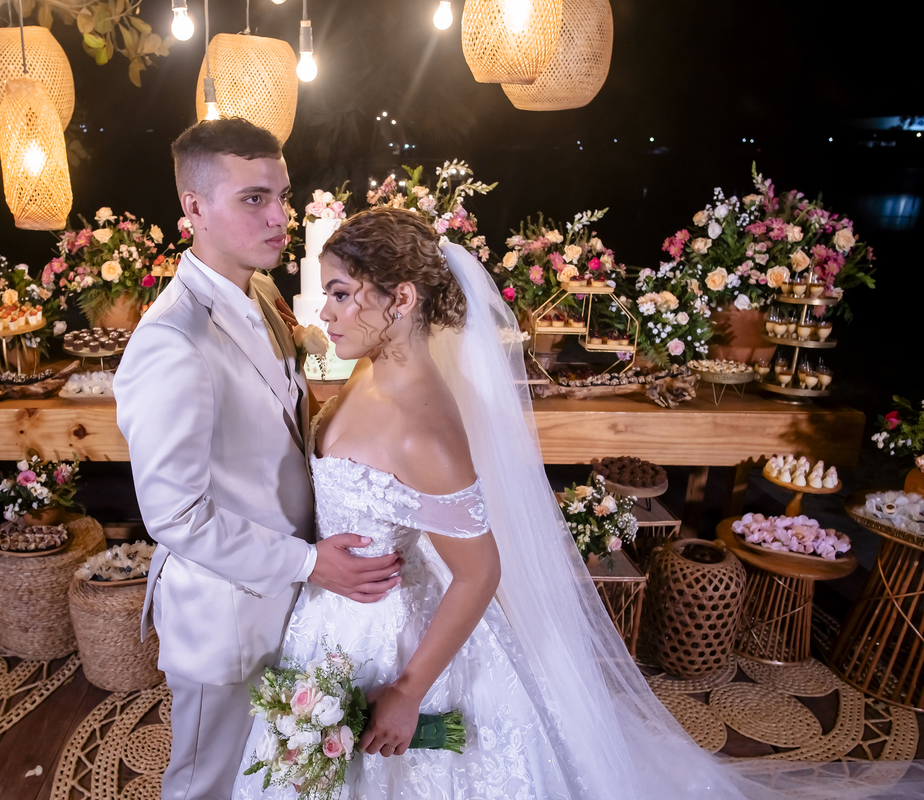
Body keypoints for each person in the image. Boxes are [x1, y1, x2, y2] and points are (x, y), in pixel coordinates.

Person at [233, 207, 924, 799]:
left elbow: (480, 572)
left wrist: (410, 691)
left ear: (403, 298)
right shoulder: (368, 371)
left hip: (389, 639)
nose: (324, 311)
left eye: (341, 293)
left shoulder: (424, 431)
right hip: (335, 618)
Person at [113, 119, 401, 800]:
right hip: (226, 615)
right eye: (253, 198)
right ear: (194, 207)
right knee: (207, 784)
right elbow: (175, 515)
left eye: (283, 195)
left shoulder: (261, 292)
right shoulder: (172, 339)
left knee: (267, 776)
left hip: (287, 603)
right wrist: (308, 563)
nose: (280, 218)